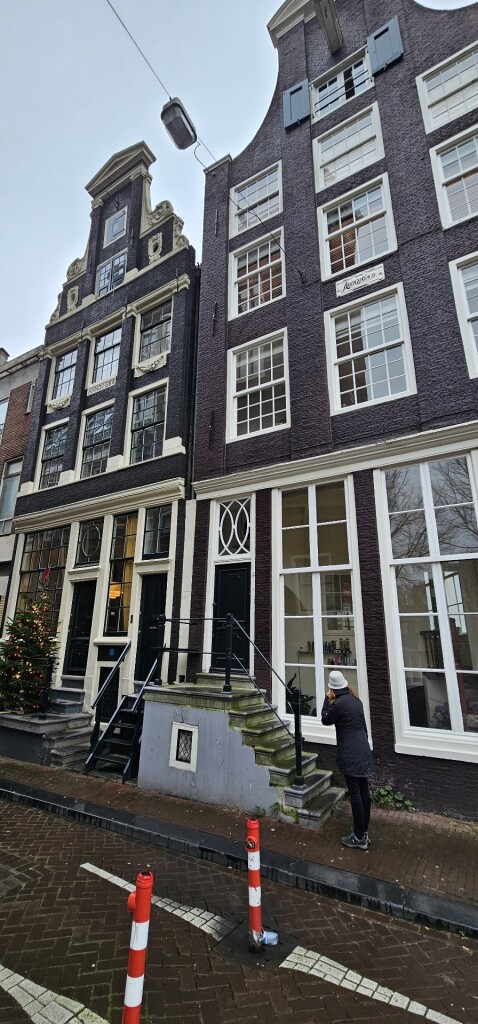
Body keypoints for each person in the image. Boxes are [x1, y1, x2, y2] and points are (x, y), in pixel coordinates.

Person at [321, 669, 372, 850]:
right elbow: (363, 727)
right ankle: (364, 832)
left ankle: (358, 836)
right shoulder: (355, 700)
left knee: (355, 794)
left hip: (350, 752)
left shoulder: (338, 704)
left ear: (332, 688)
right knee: (364, 791)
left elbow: (325, 719)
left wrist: (326, 699)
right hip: (363, 749)